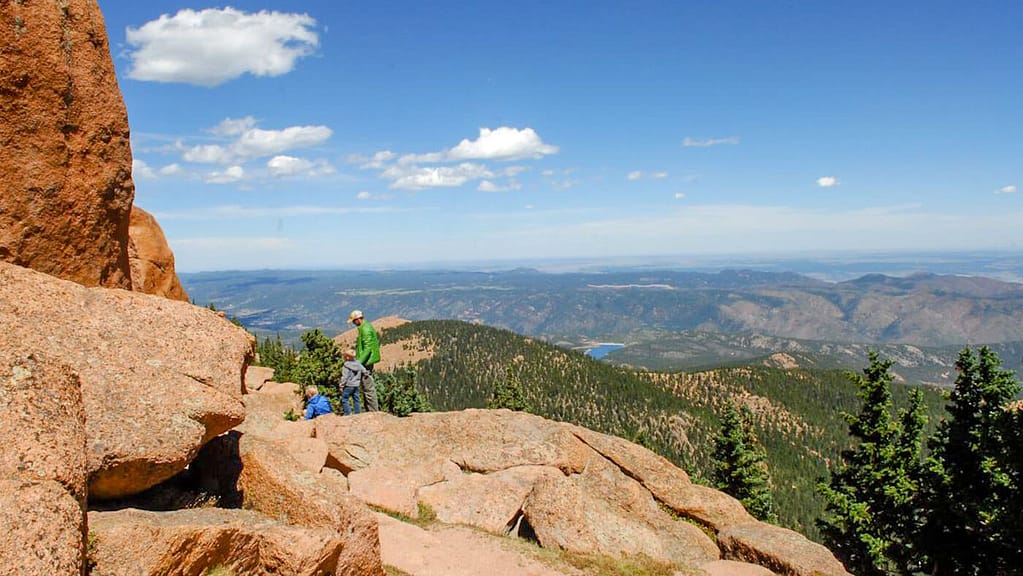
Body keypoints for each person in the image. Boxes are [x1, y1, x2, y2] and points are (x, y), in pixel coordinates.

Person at [349, 309, 381, 411]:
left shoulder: (365, 329)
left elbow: (367, 348)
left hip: (366, 363)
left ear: (358, 319)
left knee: (368, 388)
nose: (354, 323)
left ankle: (373, 412)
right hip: (366, 361)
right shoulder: (365, 326)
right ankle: (371, 410)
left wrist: (358, 363)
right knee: (367, 387)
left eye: (354, 321)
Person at [339, 348, 366, 415]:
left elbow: (345, 377)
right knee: (356, 399)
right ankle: (358, 413)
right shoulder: (358, 364)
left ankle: (348, 413)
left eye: (344, 356)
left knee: (344, 399)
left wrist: (341, 385)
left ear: (347, 357)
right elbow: (364, 371)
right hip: (356, 385)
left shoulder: (346, 365)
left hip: (349, 385)